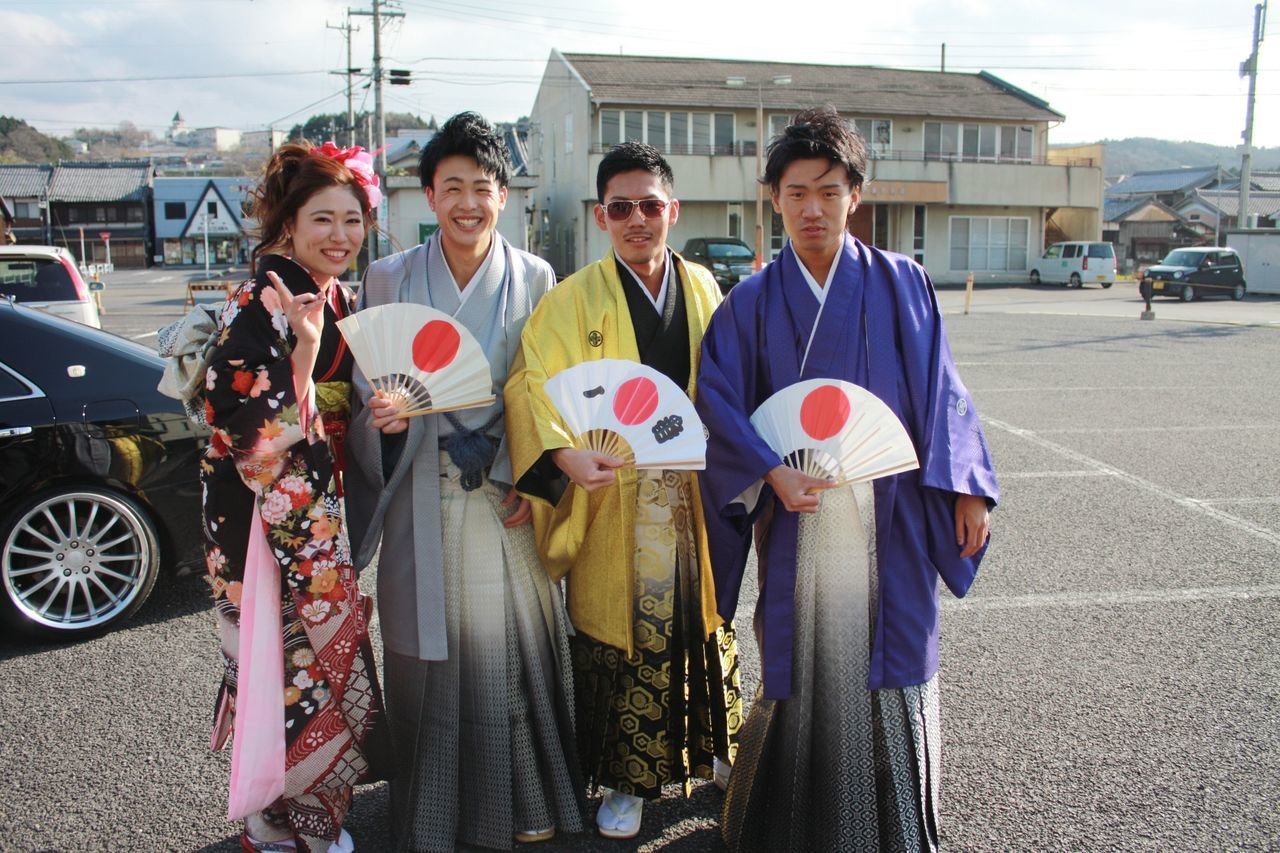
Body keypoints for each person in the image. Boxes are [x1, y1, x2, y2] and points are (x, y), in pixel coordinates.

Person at [695, 108, 1000, 852]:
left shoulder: (903, 284)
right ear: (773, 199)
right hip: (794, 513)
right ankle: (788, 820)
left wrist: (966, 484)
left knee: (893, 659)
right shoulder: (749, 304)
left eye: (828, 191)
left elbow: (942, 391)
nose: (812, 209)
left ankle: (892, 826)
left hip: (888, 511)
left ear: (855, 195)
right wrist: (769, 469)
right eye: (796, 192)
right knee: (801, 657)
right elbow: (718, 400)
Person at [343, 112, 584, 851]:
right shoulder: (388, 276)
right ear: (428, 194)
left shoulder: (537, 276)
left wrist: (531, 476)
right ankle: (438, 810)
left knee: (511, 645)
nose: (468, 203)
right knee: (431, 653)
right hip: (423, 485)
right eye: (453, 188)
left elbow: (546, 390)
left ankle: (525, 798)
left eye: (483, 187)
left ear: (503, 197)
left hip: (503, 487)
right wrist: (381, 413)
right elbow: (366, 379)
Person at [505, 142, 742, 841]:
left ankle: (708, 752)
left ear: (671, 209)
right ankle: (623, 777)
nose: (636, 219)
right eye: (620, 207)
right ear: (601, 216)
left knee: (701, 622)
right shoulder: (571, 299)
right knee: (623, 635)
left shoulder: (702, 287)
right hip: (612, 496)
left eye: (649, 205)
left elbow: (729, 385)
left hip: (692, 495)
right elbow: (530, 384)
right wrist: (563, 457)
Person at [201, 141, 388, 853]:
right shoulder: (260, 299)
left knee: (313, 668)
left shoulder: (330, 293)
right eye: (324, 219)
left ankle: (315, 816)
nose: (341, 235)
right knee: (283, 670)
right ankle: (280, 825)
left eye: (353, 219)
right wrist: (305, 355)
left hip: (315, 506)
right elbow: (235, 422)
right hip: (268, 519)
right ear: (288, 224)